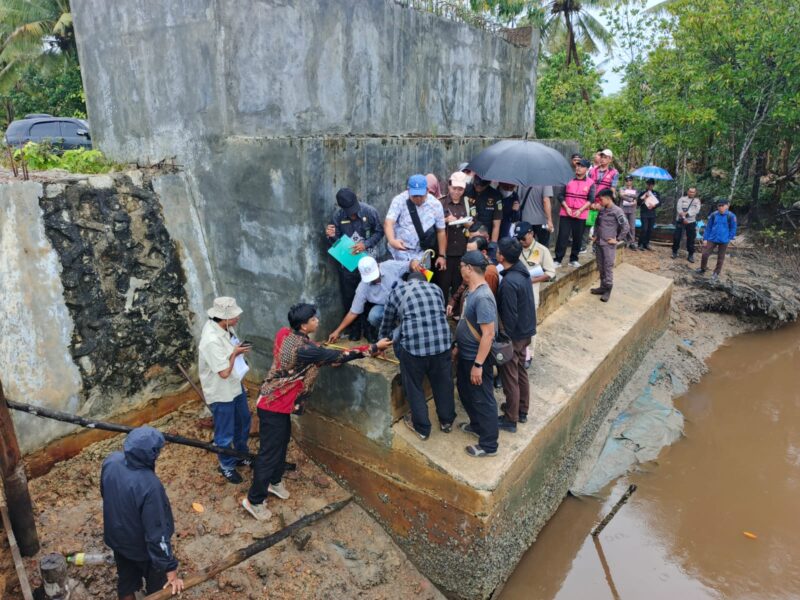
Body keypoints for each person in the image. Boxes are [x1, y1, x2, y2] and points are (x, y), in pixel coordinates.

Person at [243, 304, 381, 521]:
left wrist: (322, 357)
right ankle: (254, 500)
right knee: (268, 453)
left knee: (282, 442)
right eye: (313, 319)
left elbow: (317, 353)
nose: (317, 320)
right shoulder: (307, 350)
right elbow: (337, 356)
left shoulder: (285, 334)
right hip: (273, 405)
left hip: (275, 400)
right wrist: (372, 348)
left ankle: (274, 482)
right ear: (303, 325)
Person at [101, 426, 184, 599]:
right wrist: (170, 569)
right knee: (158, 588)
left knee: (126, 582)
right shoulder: (150, 486)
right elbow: (157, 533)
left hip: (118, 540)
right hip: (142, 549)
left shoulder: (111, 461)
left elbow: (105, 494)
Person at [378, 272, 455, 440]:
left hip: (414, 350)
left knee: (414, 386)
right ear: (423, 280)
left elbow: (387, 322)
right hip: (442, 345)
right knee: (443, 383)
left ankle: (422, 428)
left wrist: (380, 343)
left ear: (407, 281)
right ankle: (447, 421)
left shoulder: (397, 292)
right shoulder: (436, 288)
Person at [198, 297, 252, 484]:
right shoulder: (211, 341)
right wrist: (236, 353)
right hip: (221, 392)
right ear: (224, 318)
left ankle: (240, 454)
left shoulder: (225, 328)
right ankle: (226, 465)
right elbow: (223, 373)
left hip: (235, 386)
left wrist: (237, 351)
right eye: (235, 315)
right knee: (225, 431)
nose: (238, 317)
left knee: (243, 420)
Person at [453, 250, 499, 457]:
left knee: (483, 398)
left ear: (469, 269)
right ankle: (477, 425)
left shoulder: (483, 297)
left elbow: (488, 334)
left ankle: (489, 445)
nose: (460, 269)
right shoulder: (471, 292)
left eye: (462, 266)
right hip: (466, 354)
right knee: (465, 390)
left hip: (476, 358)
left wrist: (478, 365)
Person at [325, 188, 384, 340]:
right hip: (348, 264)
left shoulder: (369, 212)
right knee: (350, 297)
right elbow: (335, 243)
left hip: (368, 262)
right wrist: (330, 236)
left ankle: (370, 331)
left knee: (370, 296)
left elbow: (380, 232)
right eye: (348, 211)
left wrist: (366, 244)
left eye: (354, 209)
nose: (352, 213)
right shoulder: (337, 217)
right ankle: (354, 330)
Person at [327, 256, 417, 343]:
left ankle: (410, 328)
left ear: (378, 266)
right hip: (386, 307)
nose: (374, 279)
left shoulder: (389, 265)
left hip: (405, 301)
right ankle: (394, 332)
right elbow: (353, 312)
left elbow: (408, 264)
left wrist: (414, 263)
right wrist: (337, 331)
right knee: (374, 316)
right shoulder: (363, 287)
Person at [496, 238, 536, 432]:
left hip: (515, 335)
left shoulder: (509, 282)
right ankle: (521, 409)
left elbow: (509, 316)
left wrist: (506, 341)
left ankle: (511, 418)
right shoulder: (521, 270)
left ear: (501, 256)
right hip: (526, 331)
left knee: (510, 376)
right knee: (520, 371)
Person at [385, 174, 448, 264]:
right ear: (408, 190)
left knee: (419, 278)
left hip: (422, 254)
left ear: (427, 190)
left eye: (421, 195)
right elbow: (389, 222)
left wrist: (442, 256)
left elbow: (441, 231)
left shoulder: (435, 205)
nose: (418, 199)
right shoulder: (399, 200)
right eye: (415, 195)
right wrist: (392, 240)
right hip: (400, 252)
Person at [436, 171, 471, 302]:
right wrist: (445, 220)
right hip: (445, 251)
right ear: (449, 186)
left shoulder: (468, 203)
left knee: (459, 283)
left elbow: (474, 223)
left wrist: (467, 223)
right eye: (454, 188)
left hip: (462, 250)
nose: (457, 192)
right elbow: (432, 224)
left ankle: (456, 313)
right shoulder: (440, 203)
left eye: (460, 189)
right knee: (443, 284)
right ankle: (442, 310)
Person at [590, 189, 630, 302]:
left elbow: (626, 227)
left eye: (601, 199)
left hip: (608, 245)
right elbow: (597, 223)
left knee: (607, 267)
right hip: (599, 243)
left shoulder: (617, 211)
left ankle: (608, 289)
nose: (600, 202)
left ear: (608, 198)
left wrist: (617, 239)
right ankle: (603, 286)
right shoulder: (602, 210)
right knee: (601, 266)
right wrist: (595, 235)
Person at [555, 159, 595, 268]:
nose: (578, 168)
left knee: (577, 237)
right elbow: (560, 195)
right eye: (577, 166)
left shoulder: (590, 183)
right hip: (565, 212)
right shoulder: (568, 179)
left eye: (581, 166)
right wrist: (566, 207)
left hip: (580, 214)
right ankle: (558, 259)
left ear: (586, 169)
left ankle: (573, 259)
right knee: (562, 236)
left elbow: (591, 199)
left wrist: (580, 210)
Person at [446, 236, 499, 318]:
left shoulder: (489, 272)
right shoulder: (472, 265)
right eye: (467, 252)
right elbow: (464, 285)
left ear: (483, 252)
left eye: (471, 252)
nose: (467, 255)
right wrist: (453, 301)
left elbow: (486, 305)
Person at [514, 222, 556, 308]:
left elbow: (551, 272)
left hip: (531, 294)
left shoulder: (542, 250)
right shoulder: (514, 248)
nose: (521, 241)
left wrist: (531, 280)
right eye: (518, 238)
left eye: (523, 238)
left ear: (531, 234)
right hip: (515, 291)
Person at [697, 199, 737, 280]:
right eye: (719, 205)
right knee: (705, 254)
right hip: (712, 238)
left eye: (722, 205)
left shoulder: (731, 216)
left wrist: (729, 238)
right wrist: (705, 239)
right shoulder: (714, 215)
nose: (721, 207)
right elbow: (708, 227)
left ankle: (716, 273)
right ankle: (702, 268)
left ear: (727, 206)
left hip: (724, 240)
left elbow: (733, 228)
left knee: (720, 257)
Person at [466, 175, 503, 242]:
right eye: (476, 184)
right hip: (468, 236)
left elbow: (496, 225)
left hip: (486, 237)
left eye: (482, 185)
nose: (478, 187)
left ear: (489, 183)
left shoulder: (495, 195)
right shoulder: (466, 191)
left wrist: (493, 244)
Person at [672, 187, 701, 262]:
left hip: (691, 222)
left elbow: (696, 210)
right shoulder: (682, 199)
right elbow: (679, 208)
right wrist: (684, 217)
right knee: (676, 237)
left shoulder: (697, 201)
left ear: (695, 193)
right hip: (681, 220)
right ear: (687, 192)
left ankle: (690, 255)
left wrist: (687, 214)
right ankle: (674, 252)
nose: (691, 193)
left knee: (691, 238)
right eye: (690, 191)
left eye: (693, 192)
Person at [637, 178, 660, 251]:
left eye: (651, 185)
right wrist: (644, 197)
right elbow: (638, 203)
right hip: (644, 213)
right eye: (648, 184)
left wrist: (654, 206)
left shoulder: (656, 193)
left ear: (653, 185)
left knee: (650, 229)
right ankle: (640, 243)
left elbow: (659, 203)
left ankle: (646, 243)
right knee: (644, 229)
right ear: (646, 184)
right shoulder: (643, 192)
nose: (649, 186)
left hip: (652, 214)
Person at [619, 175, 638, 249]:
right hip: (623, 209)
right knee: (624, 225)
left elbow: (636, 196)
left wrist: (627, 194)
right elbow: (621, 195)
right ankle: (624, 241)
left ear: (632, 181)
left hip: (632, 210)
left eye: (630, 180)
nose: (628, 182)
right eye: (627, 180)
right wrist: (631, 199)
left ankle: (632, 242)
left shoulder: (635, 189)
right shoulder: (622, 188)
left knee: (632, 227)